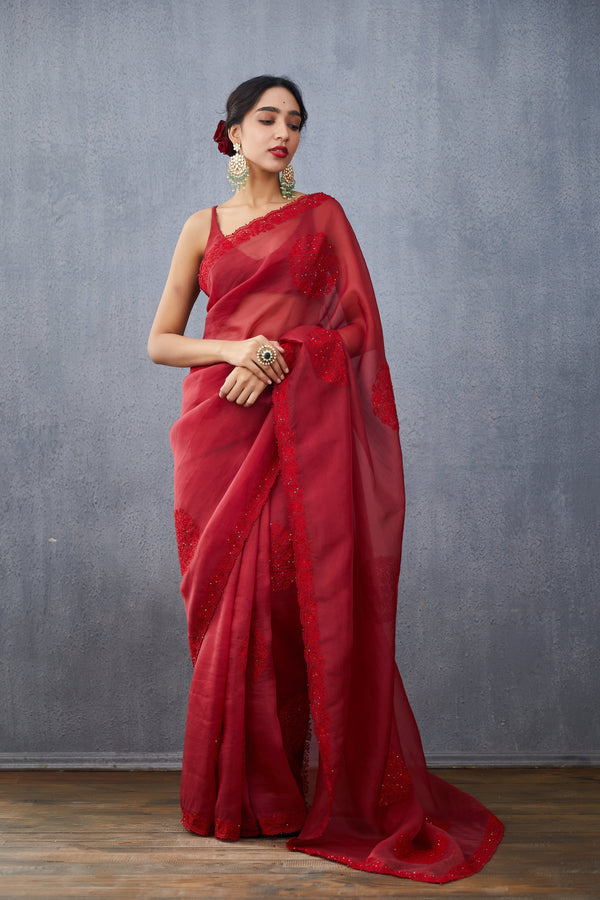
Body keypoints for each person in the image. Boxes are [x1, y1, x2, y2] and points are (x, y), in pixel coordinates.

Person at [148, 75, 503, 883]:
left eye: (296, 122)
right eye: (267, 119)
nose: (284, 133)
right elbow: (161, 341)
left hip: (296, 434)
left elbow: (359, 328)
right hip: (216, 434)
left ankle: (289, 794)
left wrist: (284, 355)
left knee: (281, 600)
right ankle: (237, 799)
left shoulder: (323, 216)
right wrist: (237, 350)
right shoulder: (201, 227)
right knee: (225, 613)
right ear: (232, 133)